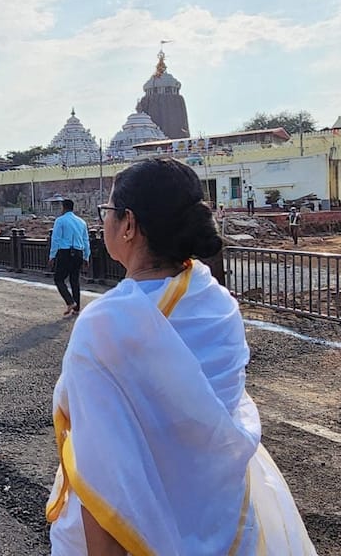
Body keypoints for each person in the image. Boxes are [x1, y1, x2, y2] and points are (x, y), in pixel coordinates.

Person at [47, 158, 316, 556]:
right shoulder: (218, 302)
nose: (103, 222)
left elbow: (101, 469)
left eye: (107, 212)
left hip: (133, 532)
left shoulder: (104, 325)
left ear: (129, 225)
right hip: (219, 513)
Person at [48, 199, 90, 317]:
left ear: (63, 207)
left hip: (65, 252)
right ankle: (76, 308)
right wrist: (86, 256)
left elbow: (55, 239)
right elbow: (86, 241)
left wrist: (52, 256)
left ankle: (70, 302)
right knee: (74, 280)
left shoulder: (60, 221)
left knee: (59, 279)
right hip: (78, 253)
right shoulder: (82, 222)